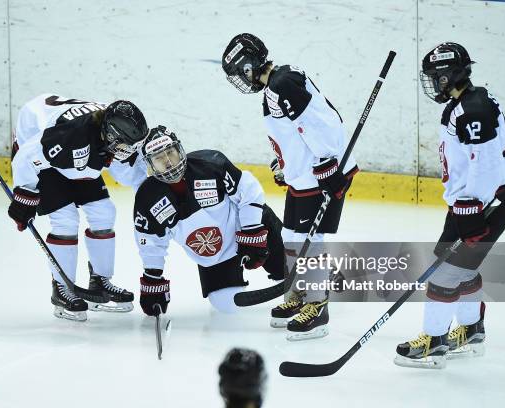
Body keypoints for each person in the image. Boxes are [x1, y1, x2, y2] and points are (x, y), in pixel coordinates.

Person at [395, 43, 505, 368]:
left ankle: (434, 342)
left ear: (450, 74)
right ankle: (471, 330)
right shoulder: (467, 102)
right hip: (478, 202)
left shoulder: (472, 109)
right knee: (464, 270)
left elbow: (486, 163)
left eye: (436, 77)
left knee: (445, 273)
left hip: (484, 203)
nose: (433, 84)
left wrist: (471, 209)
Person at [221, 33, 358, 340]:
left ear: (248, 66)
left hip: (320, 173)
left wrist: (327, 164)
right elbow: (293, 133)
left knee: (312, 240)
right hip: (305, 176)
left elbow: (319, 122)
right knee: (291, 236)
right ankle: (300, 293)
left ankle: (317, 305)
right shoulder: (277, 84)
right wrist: (285, 166)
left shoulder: (282, 83)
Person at [9, 94, 149, 321]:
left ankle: (100, 282)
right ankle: (62, 289)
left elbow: (127, 171)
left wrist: (146, 193)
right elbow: (26, 158)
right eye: (124, 146)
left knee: (104, 212)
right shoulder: (69, 135)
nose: (128, 150)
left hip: (81, 149)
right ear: (110, 135)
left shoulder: (115, 132)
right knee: (65, 219)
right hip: (38, 142)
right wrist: (24, 196)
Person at [132, 126, 285, 317]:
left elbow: (249, 189)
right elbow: (150, 242)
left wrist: (252, 232)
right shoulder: (147, 198)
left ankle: (319, 273)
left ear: (179, 150)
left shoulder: (211, 164)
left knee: (302, 272)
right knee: (227, 305)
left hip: (246, 231)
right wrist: (152, 279)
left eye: (170, 153)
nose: (168, 162)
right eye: (159, 158)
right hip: (216, 257)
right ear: (150, 164)